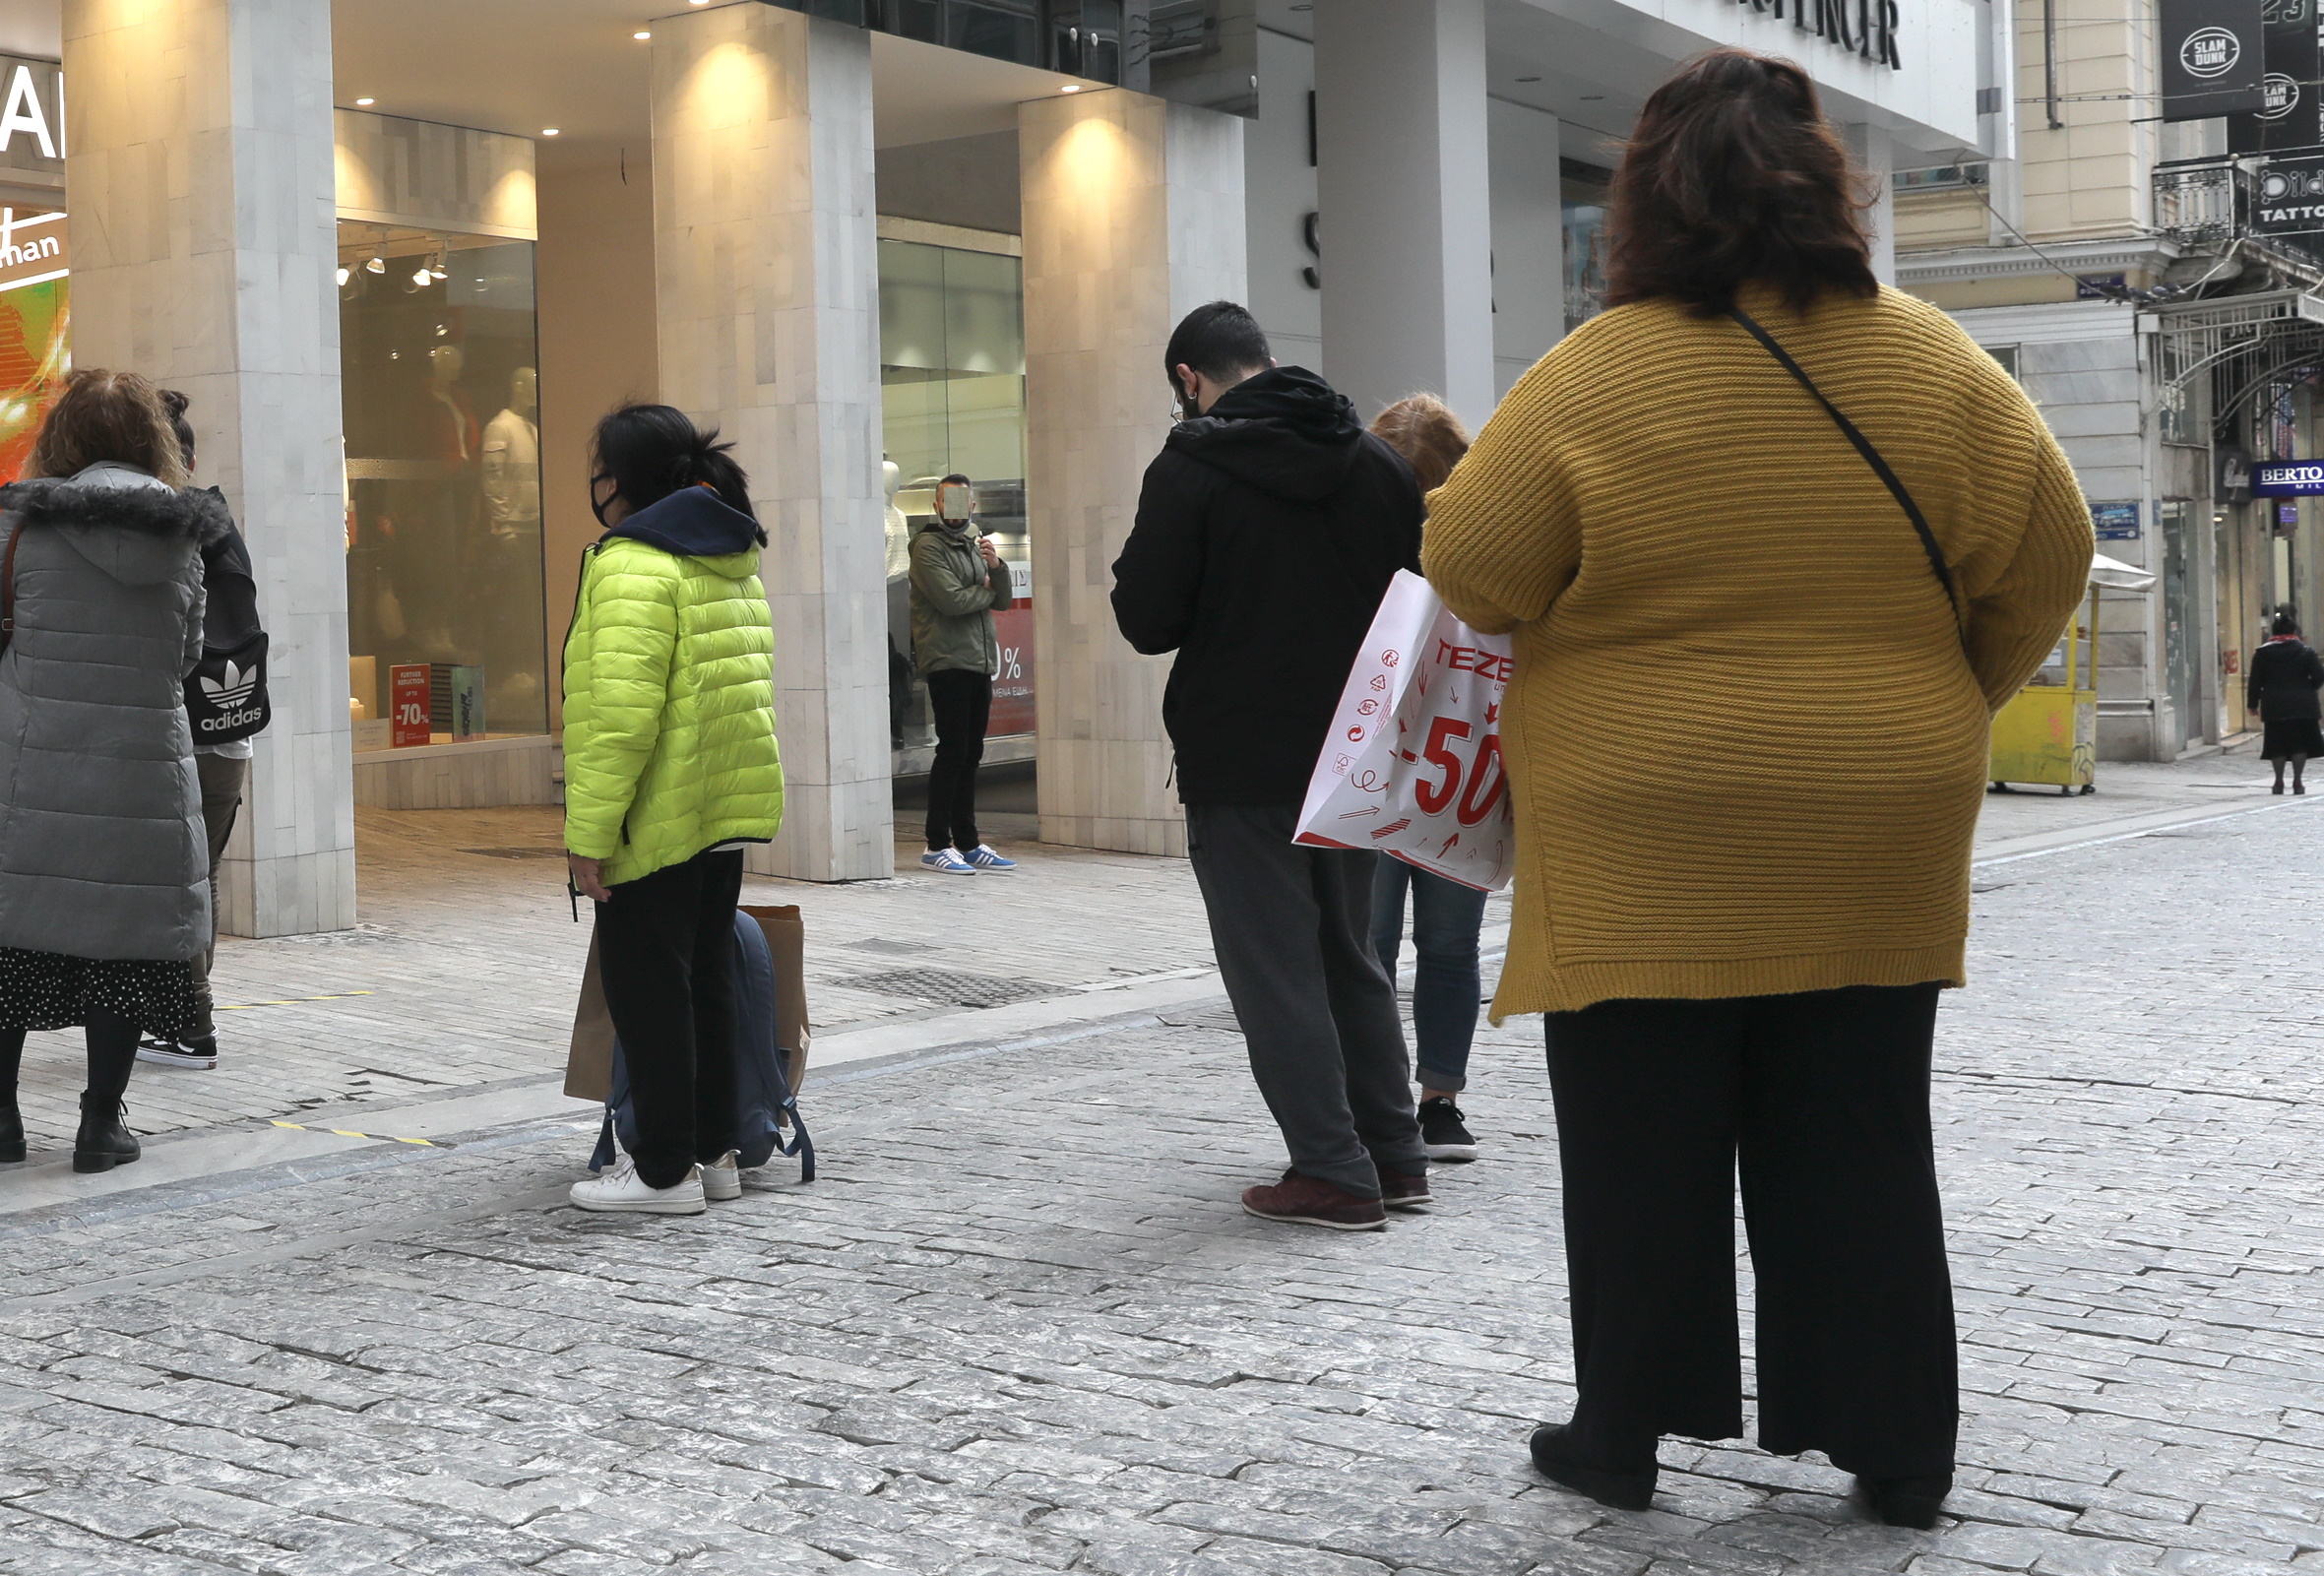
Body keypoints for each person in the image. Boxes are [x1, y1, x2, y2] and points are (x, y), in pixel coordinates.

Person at [1420, 51, 2092, 1526]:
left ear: (1644, 199)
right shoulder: (1932, 362)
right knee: (1858, 1132)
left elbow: (1472, 565)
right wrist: (1928, 694)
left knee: (1637, 1143)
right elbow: (2048, 552)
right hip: (1876, 810)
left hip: (1640, 819)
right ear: (1829, 188)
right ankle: (1896, 1447)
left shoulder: (1596, 368)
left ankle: (1627, 1429)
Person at [1112, 300, 1431, 1232]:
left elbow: (1147, 619)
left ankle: (1332, 1170)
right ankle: (1393, 1154)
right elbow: (1412, 595)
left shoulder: (1193, 465)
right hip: (1353, 753)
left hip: (1241, 754)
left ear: (1189, 379)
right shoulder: (1376, 461)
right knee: (1351, 956)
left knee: (1272, 968)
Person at [0, 369, 229, 1172]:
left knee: (14, 937)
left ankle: (1, 1119)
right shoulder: (184, 536)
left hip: (33, 766)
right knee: (126, 949)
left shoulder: (20, 529)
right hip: (143, 773)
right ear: (149, 440)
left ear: (62, 438)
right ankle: (101, 1126)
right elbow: (187, 655)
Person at [564, 404, 784, 1216]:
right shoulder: (729, 556)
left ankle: (659, 1172)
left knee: (650, 992)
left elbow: (618, 720)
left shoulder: (631, 565)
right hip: (722, 812)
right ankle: (712, 1151)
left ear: (622, 479)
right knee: (706, 984)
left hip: (654, 820)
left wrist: (589, 837)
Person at [1366, 395, 1491, 1164]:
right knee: (1381, 943)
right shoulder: (1356, 541)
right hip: (1399, 767)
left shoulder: (1478, 546)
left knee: (1437, 943)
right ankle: (1397, 1101)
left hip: (1447, 762)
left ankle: (1436, 1097)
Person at [137, 389, 267, 1073]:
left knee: (176, 879)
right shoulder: (220, 522)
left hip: (182, 729)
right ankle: (183, 1011)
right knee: (199, 874)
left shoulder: (164, 529)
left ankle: (189, 1018)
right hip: (232, 730)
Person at [910, 473, 1017, 874]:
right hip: (947, 660)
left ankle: (968, 842)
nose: (955, 512)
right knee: (952, 750)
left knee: (971, 752)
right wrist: (986, 589)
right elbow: (951, 601)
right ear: (936, 507)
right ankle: (937, 842)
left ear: (972, 506)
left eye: (963, 504)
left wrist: (997, 567)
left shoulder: (974, 545)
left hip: (978, 660)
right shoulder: (927, 547)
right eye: (947, 503)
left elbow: (1002, 599)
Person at [2246, 612, 2323, 793]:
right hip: (2303, 704)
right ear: (2294, 631)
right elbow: (2319, 677)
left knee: (2276, 743)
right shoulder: (2306, 651)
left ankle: (2278, 781)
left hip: (2274, 704)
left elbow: (2255, 681)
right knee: (2300, 743)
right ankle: (2297, 781)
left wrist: (2252, 704)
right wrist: (2307, 688)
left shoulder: (2262, 653)